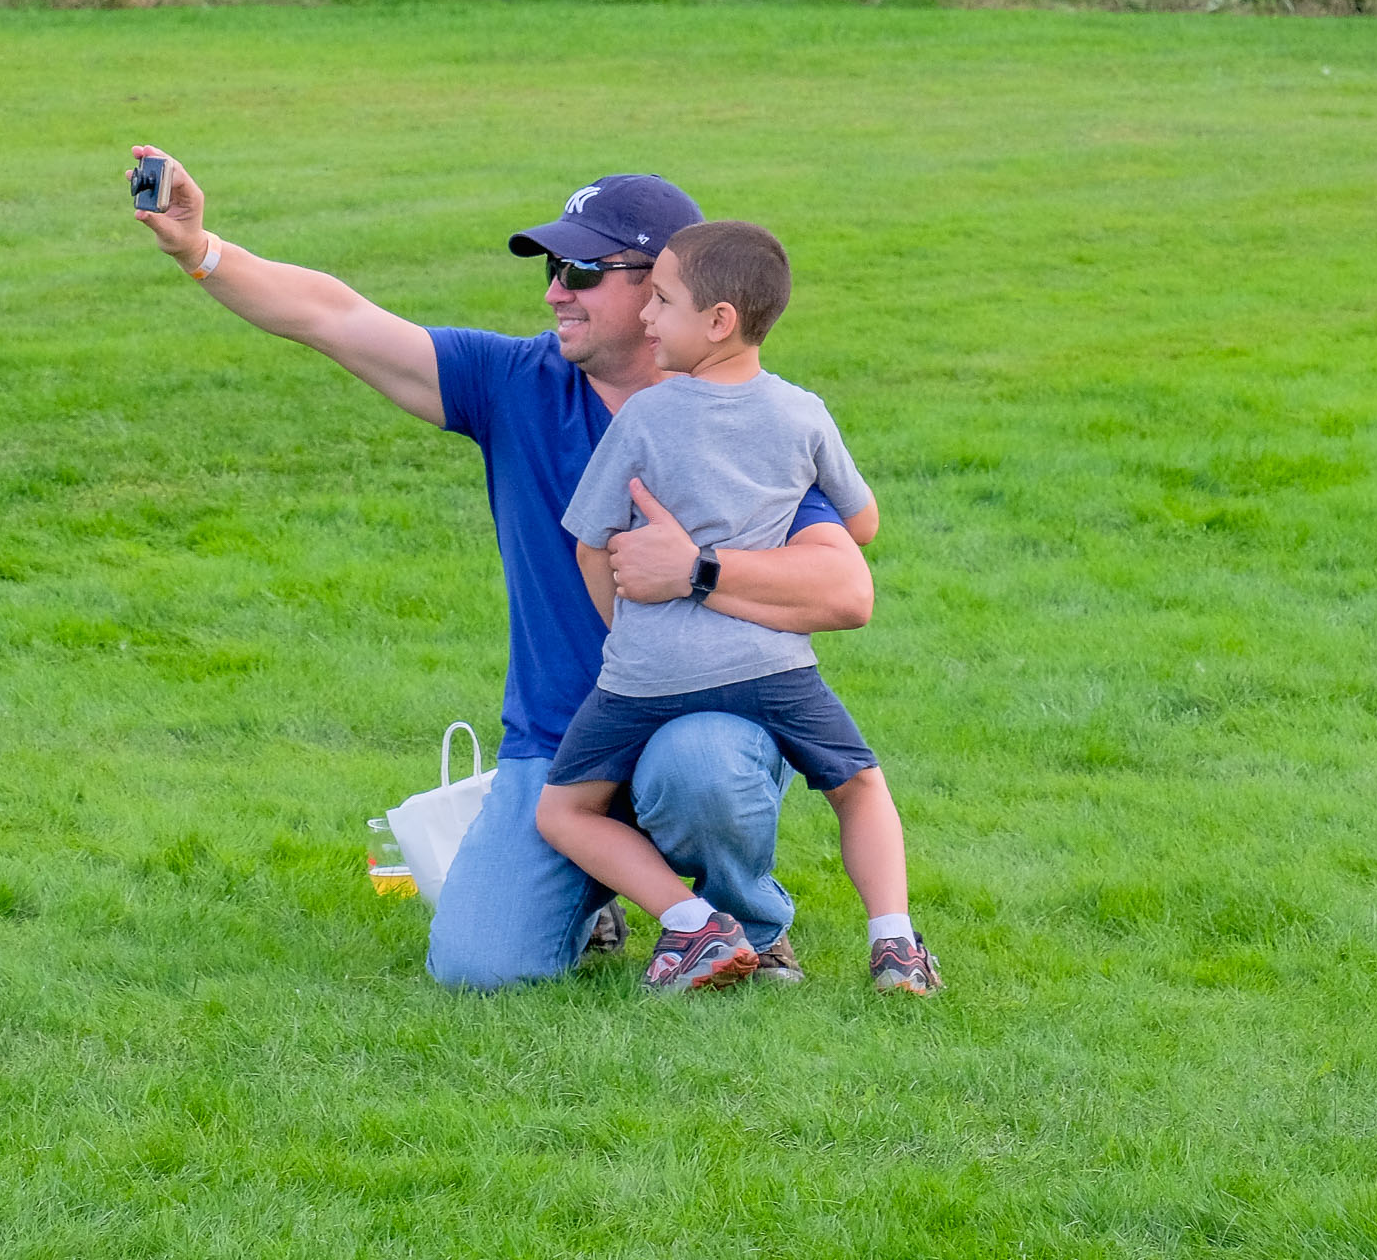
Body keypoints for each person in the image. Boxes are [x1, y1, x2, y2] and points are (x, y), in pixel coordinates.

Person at [126, 148, 875, 990]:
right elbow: (334, 317)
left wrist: (696, 569)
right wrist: (200, 250)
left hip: (702, 724)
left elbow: (846, 589)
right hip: (561, 748)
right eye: (552, 269)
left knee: (703, 765)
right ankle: (595, 891)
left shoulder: (750, 423)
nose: (555, 291)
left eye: (581, 271)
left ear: (669, 291)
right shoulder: (516, 383)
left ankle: (749, 926)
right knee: (478, 968)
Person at [538, 220, 941, 996]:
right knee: (859, 786)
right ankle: (895, 945)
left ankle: (692, 922)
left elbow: (591, 544)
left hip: (649, 674)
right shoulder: (802, 412)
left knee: (564, 813)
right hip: (771, 668)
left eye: (662, 301)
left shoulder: (643, 417)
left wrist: (628, 634)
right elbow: (861, 524)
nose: (647, 315)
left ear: (718, 320)